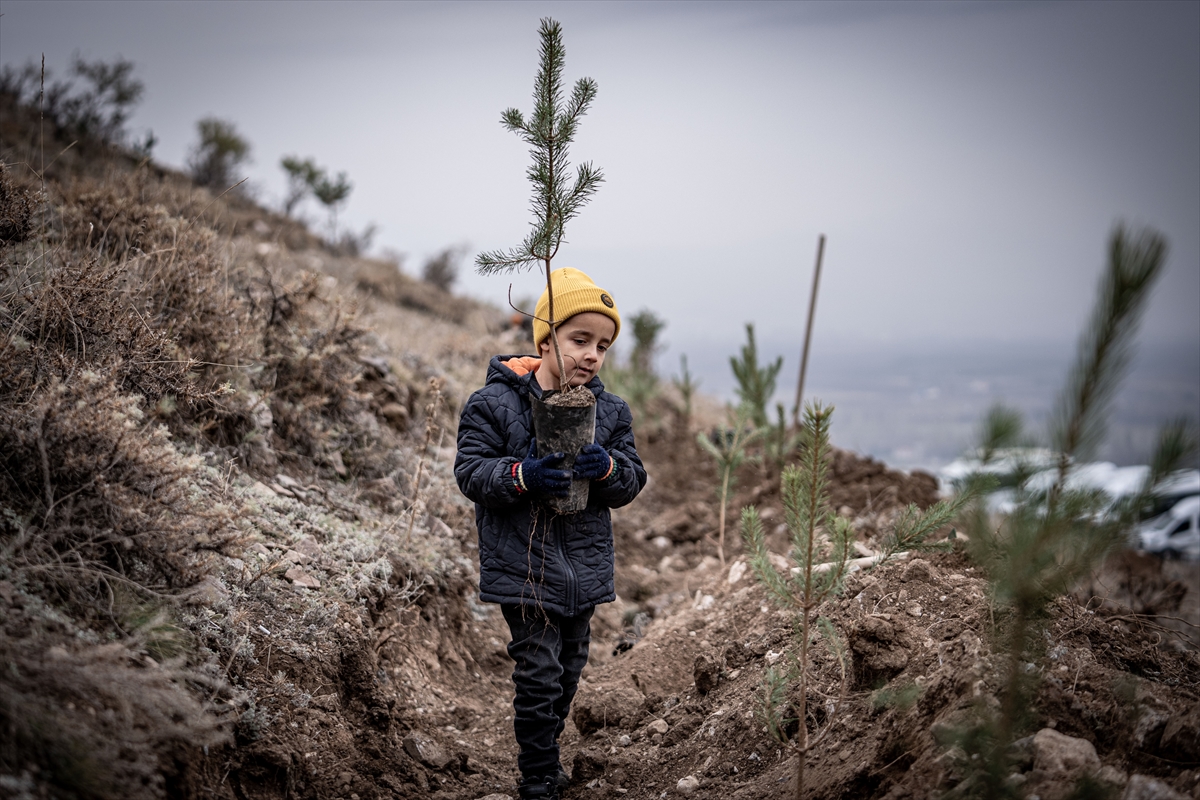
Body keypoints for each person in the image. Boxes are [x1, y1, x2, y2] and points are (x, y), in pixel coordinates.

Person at [454, 268, 647, 800]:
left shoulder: (609, 412)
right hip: (524, 565)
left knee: (568, 671)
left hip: (582, 569)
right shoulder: (493, 404)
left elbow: (632, 480)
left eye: (602, 345)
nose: (591, 355)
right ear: (545, 339)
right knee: (538, 675)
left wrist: (606, 467)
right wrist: (523, 475)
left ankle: (549, 753)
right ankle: (537, 776)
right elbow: (472, 472)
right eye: (579, 339)